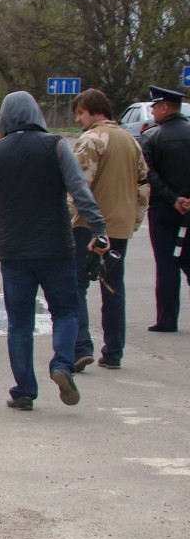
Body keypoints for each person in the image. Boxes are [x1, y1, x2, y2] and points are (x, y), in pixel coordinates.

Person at [0, 91, 109, 411]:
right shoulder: (56, 146)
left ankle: (24, 390)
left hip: (14, 251)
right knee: (66, 311)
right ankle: (61, 364)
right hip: (56, 246)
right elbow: (79, 191)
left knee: (19, 323)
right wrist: (99, 229)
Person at [70, 88, 147, 370]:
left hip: (90, 224)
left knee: (77, 283)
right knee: (113, 286)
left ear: (94, 110)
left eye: (80, 113)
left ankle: (80, 346)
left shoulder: (92, 140)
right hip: (121, 224)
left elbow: (78, 185)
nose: (78, 119)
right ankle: (113, 352)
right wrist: (134, 219)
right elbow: (143, 184)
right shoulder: (130, 140)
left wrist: (69, 219)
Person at [140, 85, 190, 333]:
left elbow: (150, 176)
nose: (152, 111)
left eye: (154, 107)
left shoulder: (151, 137)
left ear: (165, 107)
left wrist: (173, 199)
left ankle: (167, 319)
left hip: (163, 209)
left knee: (167, 263)